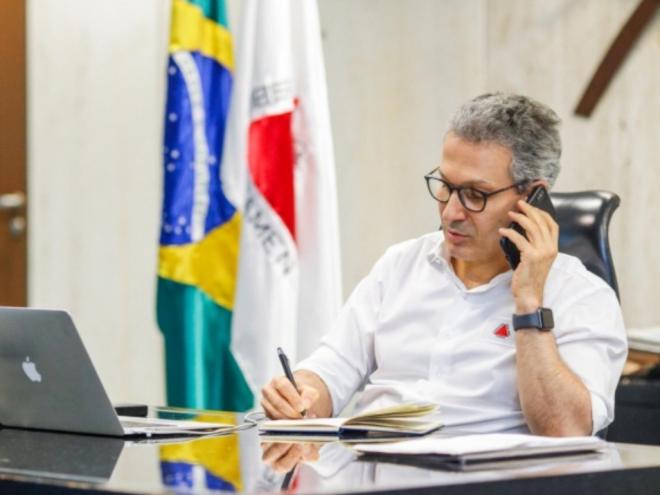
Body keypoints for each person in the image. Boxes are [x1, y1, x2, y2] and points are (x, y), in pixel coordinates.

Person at [260, 93, 628, 436]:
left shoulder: (580, 295)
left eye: (474, 195)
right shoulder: (400, 265)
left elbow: (565, 430)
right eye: (445, 186)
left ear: (533, 197)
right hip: (372, 466)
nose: (451, 212)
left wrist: (530, 304)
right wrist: (302, 394)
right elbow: (334, 367)